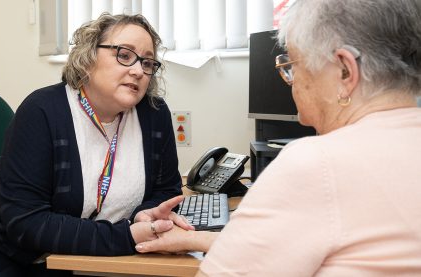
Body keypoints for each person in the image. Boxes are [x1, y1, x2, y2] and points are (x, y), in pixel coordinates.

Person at [135, 0, 421, 276]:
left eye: (292, 66)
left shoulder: (316, 164)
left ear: (345, 70)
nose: (291, 81)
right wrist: (196, 240)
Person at [0, 13, 193, 276]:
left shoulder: (154, 114)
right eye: (124, 55)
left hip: (75, 257)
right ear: (88, 57)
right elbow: (26, 223)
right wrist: (125, 236)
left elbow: (166, 190)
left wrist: (143, 216)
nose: (138, 70)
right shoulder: (42, 110)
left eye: (147, 62)